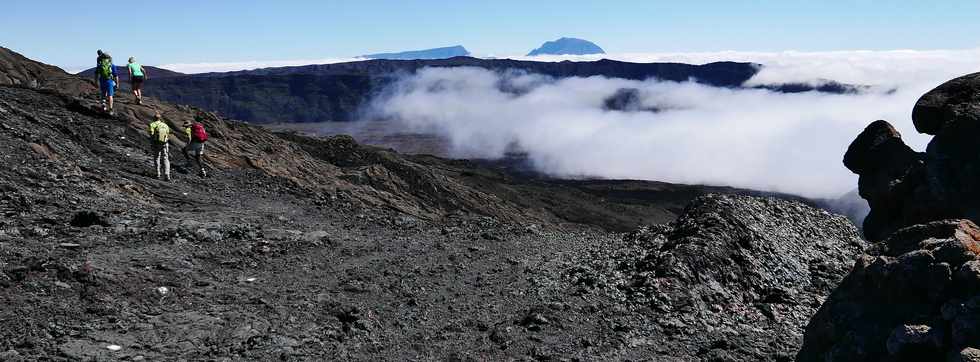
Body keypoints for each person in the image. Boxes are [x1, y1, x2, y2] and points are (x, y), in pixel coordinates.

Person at [148, 111, 172, 181]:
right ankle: (167, 175)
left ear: (154, 118)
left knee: (157, 157)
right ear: (160, 118)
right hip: (165, 143)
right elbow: (168, 134)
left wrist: (152, 143)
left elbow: (151, 134)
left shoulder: (152, 124)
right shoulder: (165, 125)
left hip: (156, 143)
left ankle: (158, 174)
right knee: (165, 158)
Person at [95, 50, 119, 115]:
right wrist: (117, 83)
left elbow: (96, 74)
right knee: (110, 95)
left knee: (103, 93)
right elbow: (116, 75)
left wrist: (96, 82)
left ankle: (103, 106)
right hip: (109, 81)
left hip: (102, 81)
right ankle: (111, 109)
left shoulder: (99, 65)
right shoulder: (112, 65)